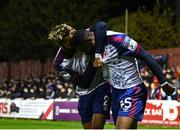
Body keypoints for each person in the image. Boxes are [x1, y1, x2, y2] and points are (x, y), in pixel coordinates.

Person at [72, 27, 176, 129]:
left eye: (83, 49)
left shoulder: (118, 40)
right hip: (116, 92)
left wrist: (163, 83)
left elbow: (145, 55)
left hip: (133, 90)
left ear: (90, 41)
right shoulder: (94, 48)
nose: (84, 53)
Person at [48, 24, 111, 129]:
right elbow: (83, 83)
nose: (73, 44)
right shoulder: (59, 63)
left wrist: (97, 54)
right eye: (69, 42)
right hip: (83, 93)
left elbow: (101, 25)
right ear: (62, 44)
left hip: (101, 86)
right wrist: (93, 63)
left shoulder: (82, 35)